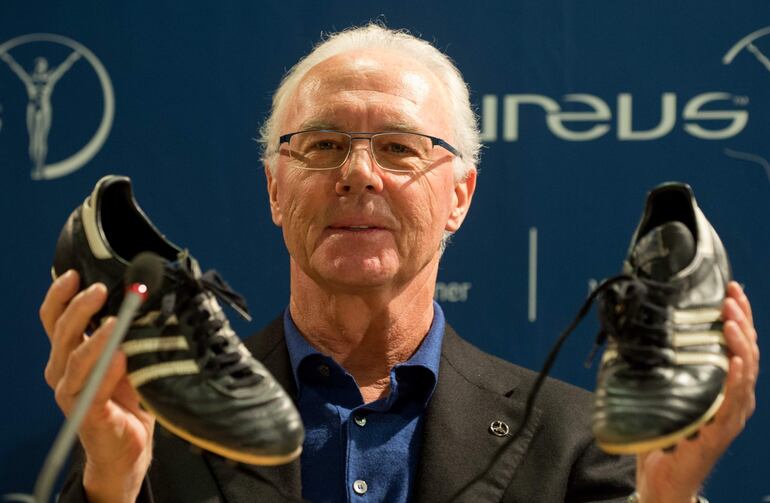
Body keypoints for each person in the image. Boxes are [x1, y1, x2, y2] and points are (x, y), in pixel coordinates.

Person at [40, 24, 759, 502]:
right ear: (274, 189)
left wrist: (668, 495)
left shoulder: (575, 438)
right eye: (321, 146)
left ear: (460, 197)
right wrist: (109, 480)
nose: (359, 173)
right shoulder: (151, 430)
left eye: (399, 148)